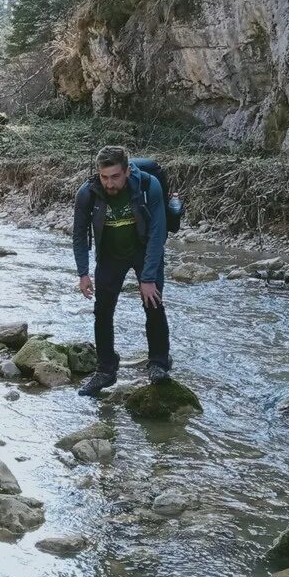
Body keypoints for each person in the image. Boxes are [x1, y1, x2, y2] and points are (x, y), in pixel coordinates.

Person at [72, 145, 171, 397]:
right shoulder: (88, 193)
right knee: (102, 311)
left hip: (144, 248)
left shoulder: (149, 186)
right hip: (110, 255)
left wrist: (148, 277)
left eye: (115, 176)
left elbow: (158, 232)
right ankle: (106, 370)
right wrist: (83, 273)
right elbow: (79, 236)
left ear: (127, 171)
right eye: (104, 177)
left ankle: (158, 363)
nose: (109, 183)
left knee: (153, 303)